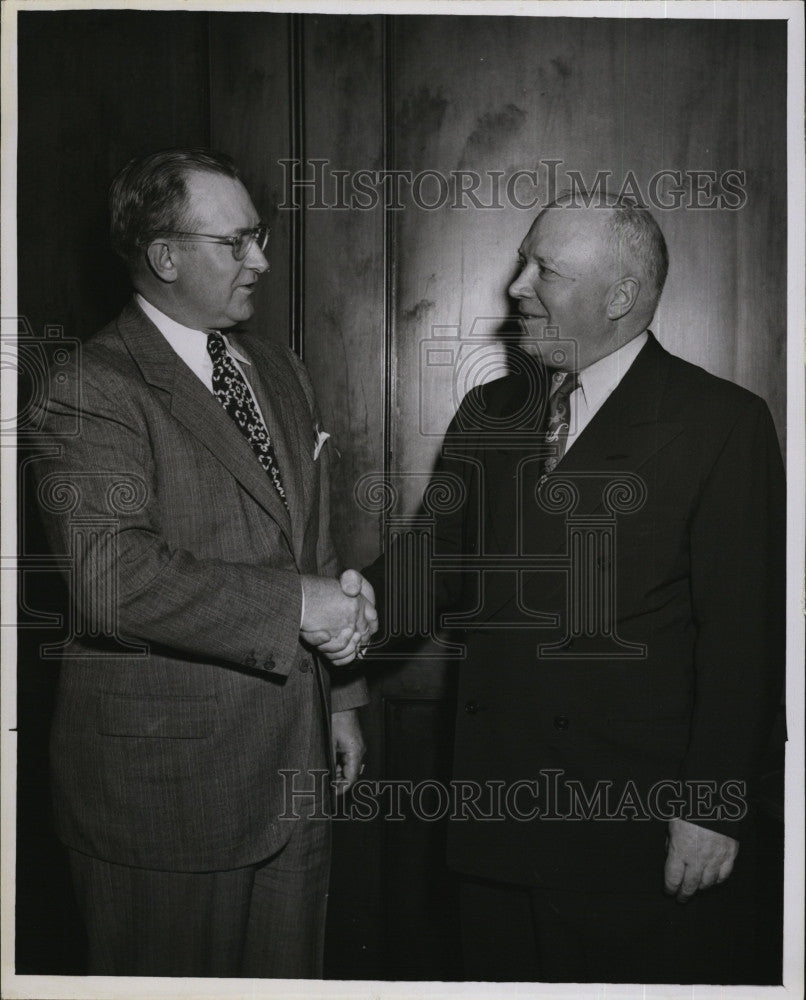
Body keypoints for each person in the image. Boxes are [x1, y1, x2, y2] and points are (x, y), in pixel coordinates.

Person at [360, 194, 785, 983]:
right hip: (496, 819)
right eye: (525, 260)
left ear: (620, 297)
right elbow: (432, 561)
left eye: (544, 270)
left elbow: (746, 638)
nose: (517, 285)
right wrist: (346, 609)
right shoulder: (491, 411)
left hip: (635, 831)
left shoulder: (721, 422)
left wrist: (713, 806)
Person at [32, 148, 377, 978]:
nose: (261, 259)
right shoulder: (92, 387)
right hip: (166, 796)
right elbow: (112, 578)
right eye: (238, 242)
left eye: (259, 235)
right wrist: (299, 607)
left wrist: (342, 699)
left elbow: (312, 544)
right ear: (165, 255)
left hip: (293, 774)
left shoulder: (279, 371)